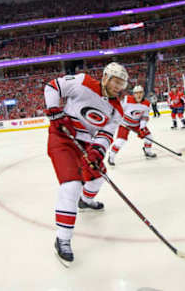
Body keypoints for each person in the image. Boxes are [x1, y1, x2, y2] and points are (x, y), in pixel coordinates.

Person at [44, 62, 128, 265]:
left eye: (121, 84)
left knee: (98, 179)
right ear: (106, 77)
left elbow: (106, 133)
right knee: (71, 185)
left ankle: (86, 201)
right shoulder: (83, 81)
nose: (118, 87)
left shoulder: (116, 109)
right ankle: (62, 239)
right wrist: (55, 112)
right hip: (62, 138)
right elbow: (52, 86)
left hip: (87, 144)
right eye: (116, 82)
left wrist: (97, 151)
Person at [108, 85, 156, 166]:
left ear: (143, 93)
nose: (138, 95)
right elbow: (119, 110)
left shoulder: (147, 103)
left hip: (137, 124)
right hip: (124, 124)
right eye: (136, 93)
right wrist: (117, 119)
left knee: (149, 137)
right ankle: (111, 156)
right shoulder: (127, 100)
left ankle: (148, 152)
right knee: (121, 141)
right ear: (133, 94)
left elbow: (145, 116)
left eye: (140, 92)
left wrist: (142, 128)